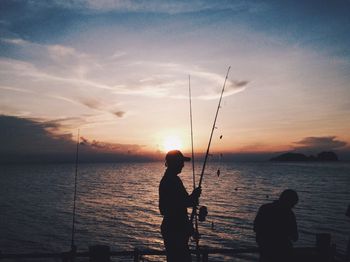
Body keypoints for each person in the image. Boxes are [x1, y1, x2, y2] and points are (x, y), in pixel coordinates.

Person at [159, 150, 201, 262]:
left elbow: (177, 204)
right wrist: (193, 197)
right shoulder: (172, 181)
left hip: (173, 229)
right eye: (181, 162)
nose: (183, 165)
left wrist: (192, 198)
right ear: (174, 163)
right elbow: (181, 203)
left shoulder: (170, 179)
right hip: (175, 231)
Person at [254, 189, 299, 262]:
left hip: (265, 249)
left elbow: (255, 227)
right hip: (282, 252)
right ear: (290, 202)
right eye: (293, 204)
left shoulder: (264, 208)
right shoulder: (289, 214)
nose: (293, 207)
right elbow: (295, 237)